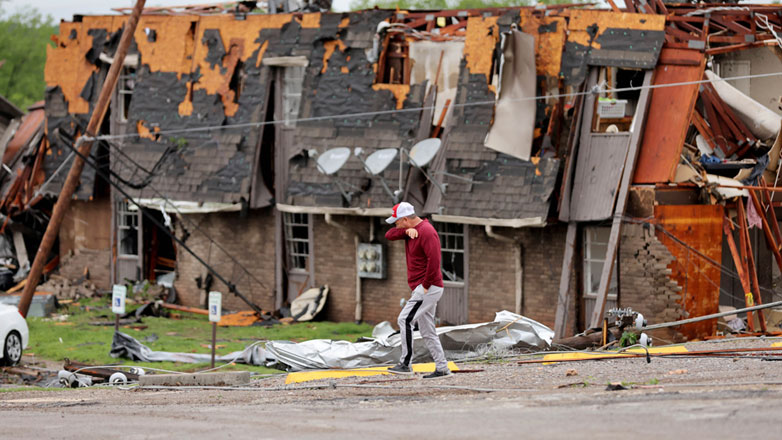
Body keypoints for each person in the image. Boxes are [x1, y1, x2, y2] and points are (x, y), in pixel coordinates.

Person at [384, 202, 451, 378]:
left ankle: (405, 364)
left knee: (404, 319)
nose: (395, 225)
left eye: (397, 222)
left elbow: (434, 261)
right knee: (427, 330)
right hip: (424, 287)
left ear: (405, 219)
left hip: (428, 287)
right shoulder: (410, 231)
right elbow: (389, 235)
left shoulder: (427, 232)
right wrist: (405, 232)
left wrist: (426, 286)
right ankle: (442, 368)